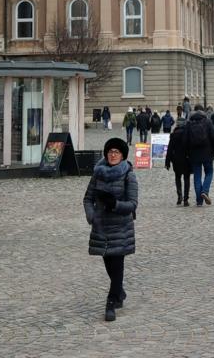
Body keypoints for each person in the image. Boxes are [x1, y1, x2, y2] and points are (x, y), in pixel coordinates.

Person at [83, 137, 139, 322]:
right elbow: (87, 198)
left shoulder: (128, 175)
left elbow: (132, 204)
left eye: (116, 152)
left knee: (117, 264)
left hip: (120, 227)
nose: (113, 155)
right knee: (108, 264)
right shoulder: (98, 174)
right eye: (110, 152)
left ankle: (111, 302)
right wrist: (92, 216)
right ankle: (119, 291)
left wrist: (115, 204)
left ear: (122, 155)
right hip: (101, 226)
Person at [186, 105, 214, 205]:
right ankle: (205, 191)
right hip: (207, 153)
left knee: (197, 176)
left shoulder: (189, 123)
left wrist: (187, 153)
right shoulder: (207, 122)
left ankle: (199, 201)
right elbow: (213, 137)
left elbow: (185, 140)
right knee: (209, 172)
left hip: (194, 154)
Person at [165, 120, 192, 206]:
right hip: (186, 159)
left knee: (178, 177)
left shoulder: (174, 134)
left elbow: (170, 149)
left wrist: (167, 162)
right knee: (186, 178)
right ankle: (186, 199)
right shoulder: (188, 133)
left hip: (176, 159)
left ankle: (179, 196)